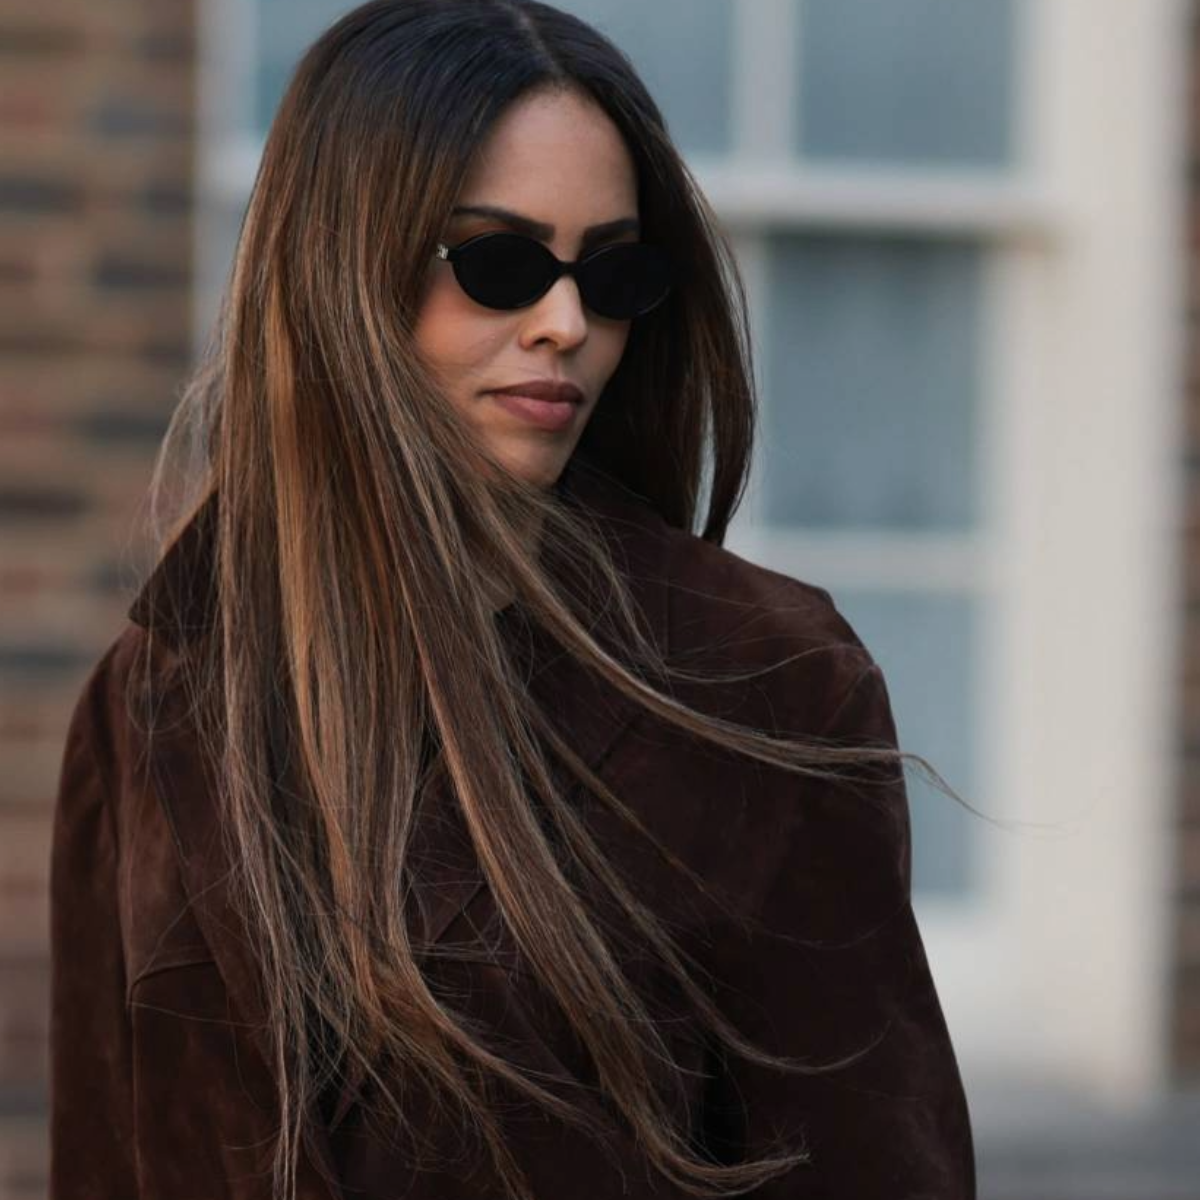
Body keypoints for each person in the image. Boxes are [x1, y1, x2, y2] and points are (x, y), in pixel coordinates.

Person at [47, 1, 976, 1197]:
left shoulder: (767, 678)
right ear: (341, 264)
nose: (565, 322)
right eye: (498, 262)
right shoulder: (150, 700)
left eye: (614, 271)